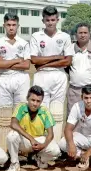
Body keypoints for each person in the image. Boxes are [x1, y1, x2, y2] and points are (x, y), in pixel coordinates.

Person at [30, 6, 74, 142]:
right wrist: (57, 57)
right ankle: (39, 144)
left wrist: (46, 62)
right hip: (41, 76)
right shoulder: (36, 36)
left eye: (53, 20)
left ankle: (53, 145)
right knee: (41, 110)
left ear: (57, 20)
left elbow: (68, 61)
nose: (50, 22)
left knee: (57, 112)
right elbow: (34, 59)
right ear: (43, 20)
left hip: (59, 76)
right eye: (47, 20)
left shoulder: (65, 37)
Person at [6, 85, 61, 171]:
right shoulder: (21, 107)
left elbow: (50, 134)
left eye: (38, 101)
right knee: (12, 135)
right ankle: (14, 163)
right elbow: (13, 124)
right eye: (32, 100)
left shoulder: (45, 111)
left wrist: (43, 146)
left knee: (56, 151)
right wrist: (31, 139)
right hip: (25, 140)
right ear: (27, 98)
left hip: (38, 141)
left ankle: (38, 158)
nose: (35, 104)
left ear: (41, 101)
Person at [0, 13, 31, 108]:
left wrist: (4, 63)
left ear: (18, 26)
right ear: (4, 26)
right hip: (4, 77)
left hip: (21, 78)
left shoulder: (24, 43)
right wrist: (18, 60)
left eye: (14, 25)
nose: (11, 28)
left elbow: (26, 65)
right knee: (4, 110)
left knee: (21, 109)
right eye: (8, 25)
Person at [66, 23, 91, 116]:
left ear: (89, 34)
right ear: (76, 34)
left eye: (85, 32)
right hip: (74, 89)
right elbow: (66, 67)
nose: (83, 35)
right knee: (73, 116)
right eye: (80, 33)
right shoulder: (69, 48)